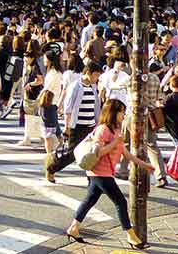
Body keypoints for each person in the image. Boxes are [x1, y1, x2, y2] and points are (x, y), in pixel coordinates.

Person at [65, 99, 154, 248]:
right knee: (120, 202)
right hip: (100, 172)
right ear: (113, 112)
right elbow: (98, 152)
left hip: (102, 173)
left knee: (90, 200)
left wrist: (144, 165)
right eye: (121, 112)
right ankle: (132, 237)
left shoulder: (116, 129)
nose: (123, 115)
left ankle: (73, 228)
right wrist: (115, 142)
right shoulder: (103, 129)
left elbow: (125, 153)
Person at [46, 61, 101, 182]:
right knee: (71, 154)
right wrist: (67, 126)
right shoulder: (75, 86)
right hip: (77, 126)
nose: (97, 79)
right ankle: (52, 168)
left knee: (91, 153)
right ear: (87, 73)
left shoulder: (93, 87)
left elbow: (96, 106)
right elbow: (68, 109)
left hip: (90, 125)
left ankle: (93, 181)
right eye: (95, 75)